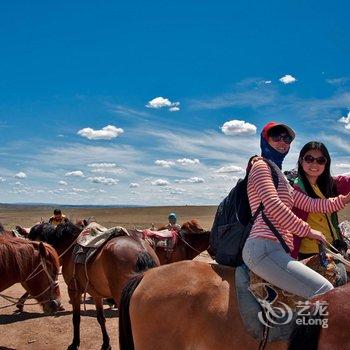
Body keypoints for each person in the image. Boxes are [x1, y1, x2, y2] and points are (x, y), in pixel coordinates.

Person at [242, 122, 350, 299]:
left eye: (287, 138)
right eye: (276, 136)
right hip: (263, 247)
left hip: (277, 249)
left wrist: (343, 200)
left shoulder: (279, 175)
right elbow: (274, 206)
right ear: (264, 139)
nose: (282, 141)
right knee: (325, 291)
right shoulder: (261, 166)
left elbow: (310, 204)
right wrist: (309, 231)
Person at [291, 141, 350, 259]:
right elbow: (315, 205)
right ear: (301, 160)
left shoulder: (326, 184)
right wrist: (345, 200)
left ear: (326, 163)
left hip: (333, 245)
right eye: (309, 159)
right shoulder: (295, 188)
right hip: (312, 250)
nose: (314, 164)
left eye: (320, 160)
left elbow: (345, 180)